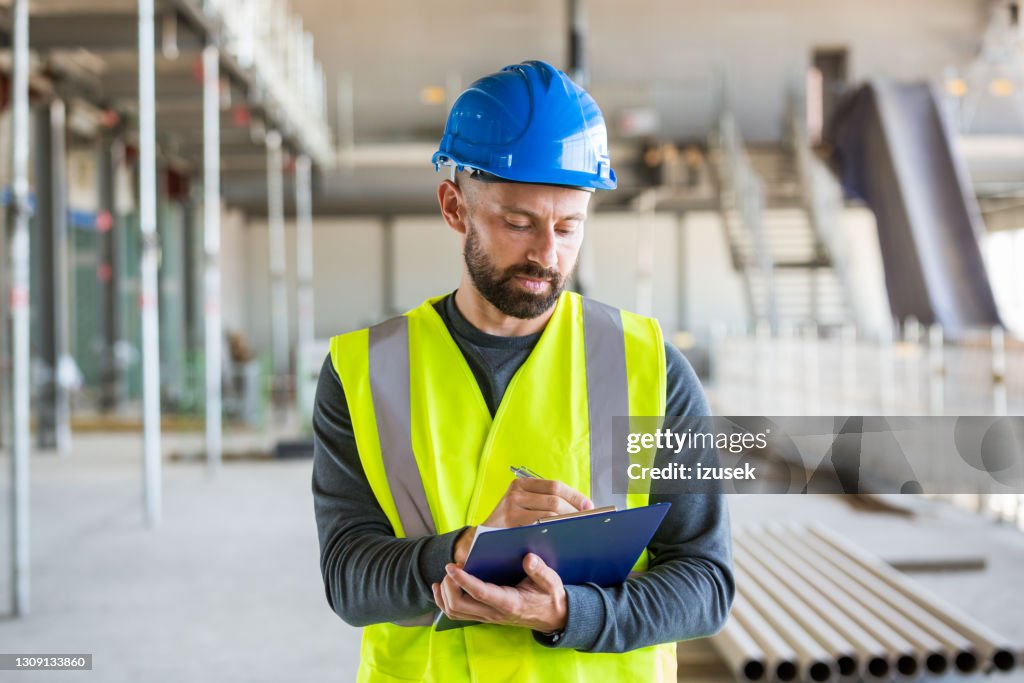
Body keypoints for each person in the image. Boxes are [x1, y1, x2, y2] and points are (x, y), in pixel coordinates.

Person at [312, 60, 734, 683]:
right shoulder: (363, 372)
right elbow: (349, 579)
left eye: (569, 227)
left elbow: (706, 583)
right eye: (518, 223)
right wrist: (462, 553)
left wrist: (572, 611)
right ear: (455, 207)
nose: (547, 254)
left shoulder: (652, 367)